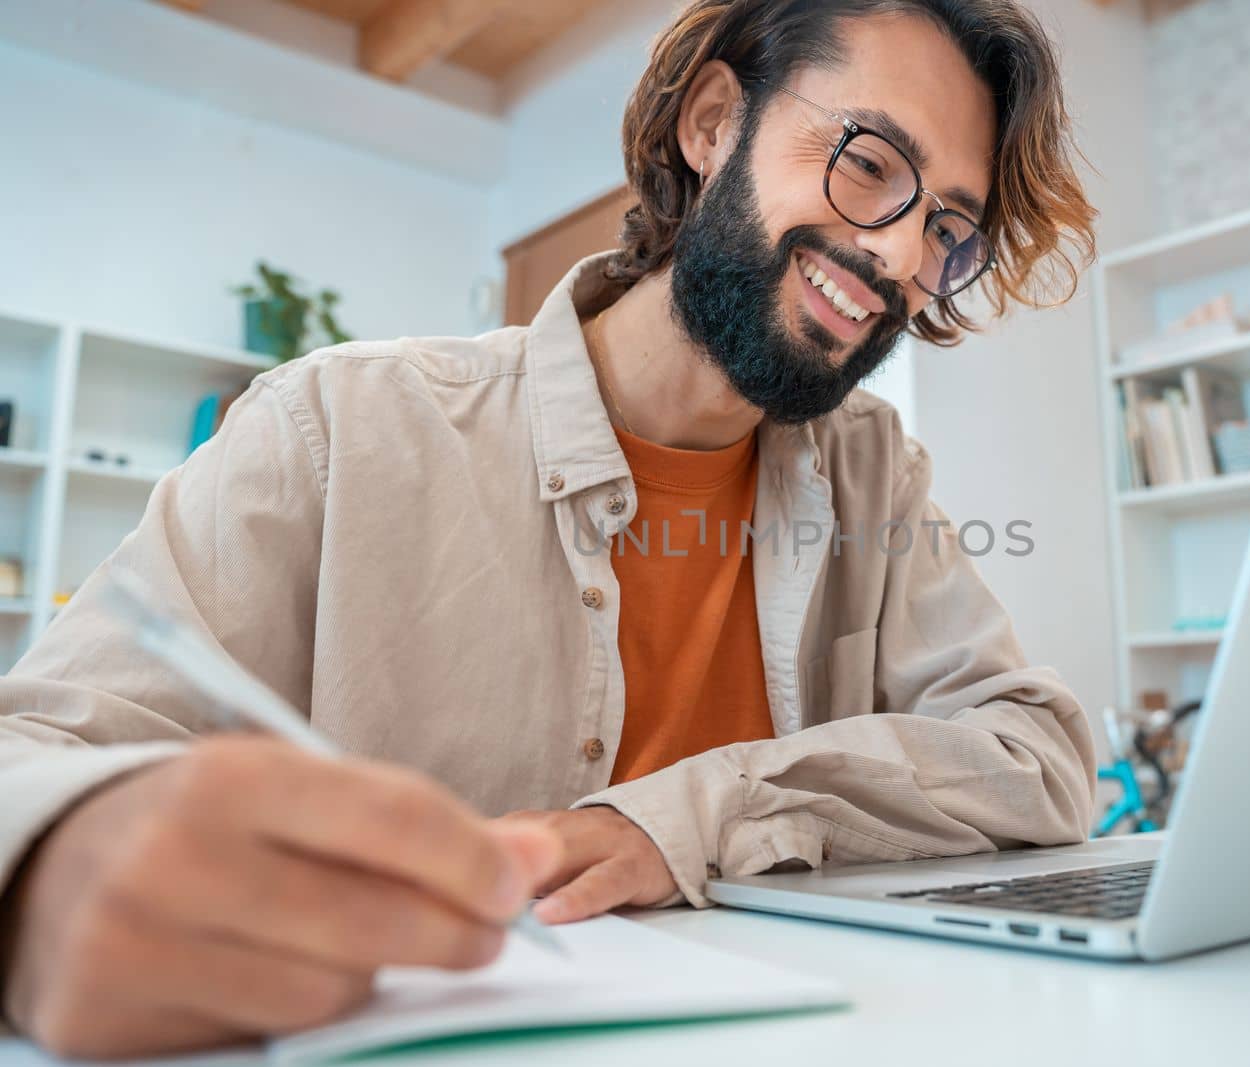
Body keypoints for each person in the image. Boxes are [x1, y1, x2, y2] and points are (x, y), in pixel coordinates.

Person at [0, 0, 1099, 1057]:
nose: (904, 260)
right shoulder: (334, 426)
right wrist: (53, 867)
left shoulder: (874, 473)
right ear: (714, 122)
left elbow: (1036, 757)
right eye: (869, 165)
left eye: (947, 230)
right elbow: (33, 748)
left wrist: (687, 819)